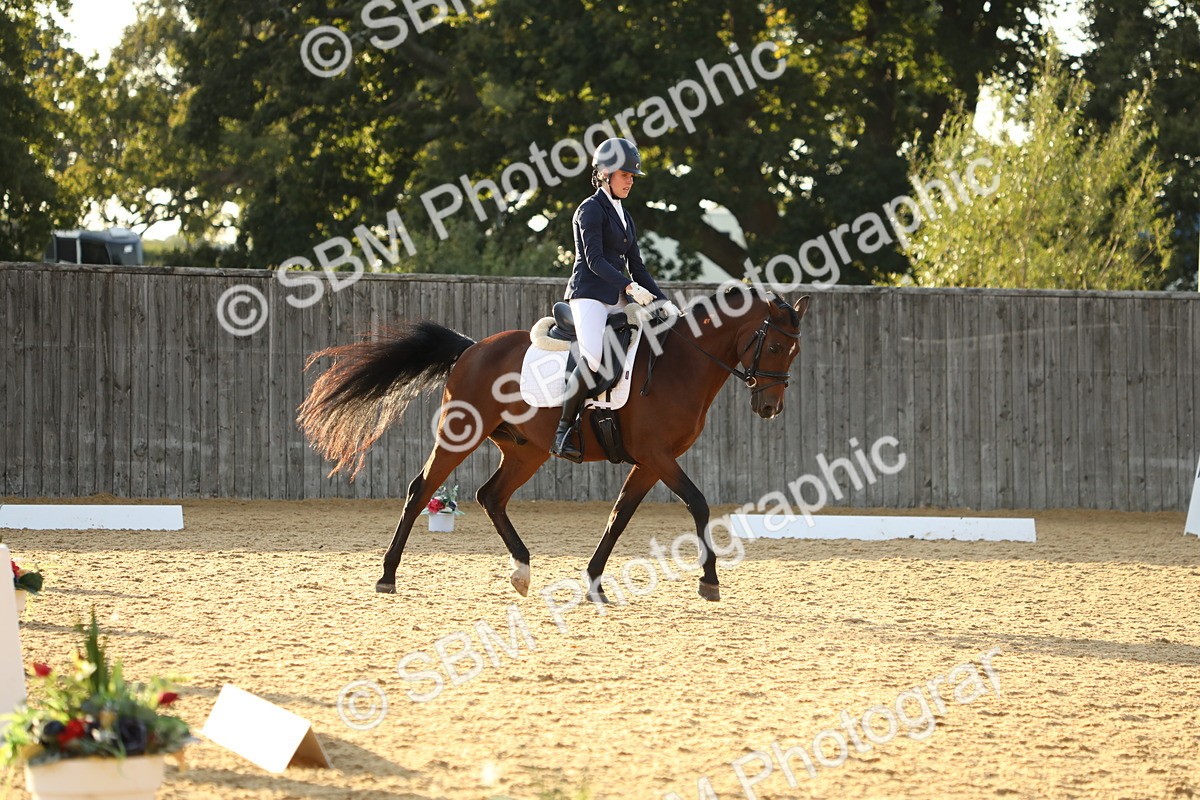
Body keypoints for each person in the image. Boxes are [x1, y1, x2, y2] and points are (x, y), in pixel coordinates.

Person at [550, 137, 681, 461]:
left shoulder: (625, 216)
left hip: (618, 295)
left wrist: (664, 302)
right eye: (626, 175)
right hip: (589, 295)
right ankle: (563, 429)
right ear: (606, 173)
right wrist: (629, 288)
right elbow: (594, 260)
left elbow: (638, 267)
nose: (631, 181)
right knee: (593, 355)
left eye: (633, 177)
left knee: (656, 333)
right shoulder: (589, 209)